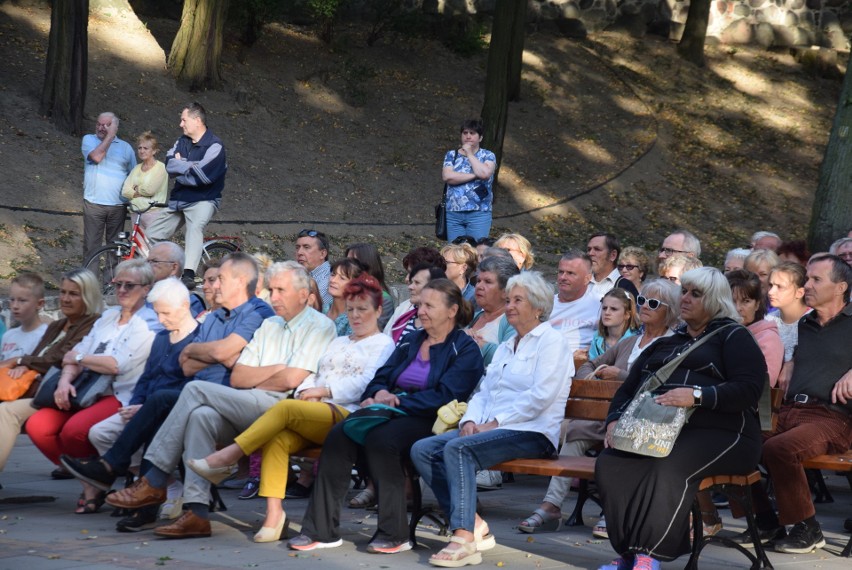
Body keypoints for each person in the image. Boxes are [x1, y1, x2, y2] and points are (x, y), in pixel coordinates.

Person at [103, 261, 337, 539]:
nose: (273, 297)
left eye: (281, 290)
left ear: (302, 294)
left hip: (284, 408)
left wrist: (267, 375)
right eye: (271, 289)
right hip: (248, 400)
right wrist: (276, 369)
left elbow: (291, 381)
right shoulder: (270, 325)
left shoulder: (319, 325)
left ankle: (153, 479)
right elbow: (238, 377)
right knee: (201, 417)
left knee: (194, 390)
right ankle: (197, 513)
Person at [60, 253, 273, 529]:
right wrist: (215, 353)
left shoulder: (258, 312)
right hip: (202, 397)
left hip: (232, 395)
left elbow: (222, 354)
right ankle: (179, 509)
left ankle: (123, 473)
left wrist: (212, 352)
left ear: (240, 281)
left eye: (220, 278)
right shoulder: (213, 318)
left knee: (164, 400)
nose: (213, 284)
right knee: (172, 410)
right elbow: (187, 363)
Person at [186, 275, 395, 542]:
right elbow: (313, 373)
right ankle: (275, 516)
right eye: (351, 309)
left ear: (378, 311)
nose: (355, 316)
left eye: (362, 309)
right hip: (316, 410)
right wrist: (305, 391)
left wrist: (325, 391)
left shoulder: (383, 344)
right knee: (278, 437)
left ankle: (227, 456)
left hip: (349, 414)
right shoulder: (339, 341)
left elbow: (368, 383)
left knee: (284, 409)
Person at [286, 279, 484, 554]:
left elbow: (447, 395)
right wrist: (378, 393)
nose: (421, 311)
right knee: (340, 434)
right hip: (391, 412)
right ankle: (321, 530)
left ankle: (394, 533)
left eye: (429, 305)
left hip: (431, 418)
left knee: (382, 440)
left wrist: (398, 400)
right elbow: (381, 376)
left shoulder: (463, 348)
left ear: (451, 311)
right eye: (419, 304)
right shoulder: (412, 340)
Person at [595, 267, 766, 570]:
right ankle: (628, 552)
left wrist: (698, 396)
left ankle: (649, 556)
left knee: (666, 465)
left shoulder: (733, 336)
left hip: (726, 433)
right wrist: (614, 421)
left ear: (714, 300)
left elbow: (749, 390)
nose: (684, 298)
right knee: (612, 461)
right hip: (660, 430)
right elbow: (629, 390)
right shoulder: (666, 343)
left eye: (695, 294)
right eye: (684, 291)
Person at [411, 272, 572, 567]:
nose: (509, 306)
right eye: (508, 300)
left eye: (517, 300)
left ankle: (463, 537)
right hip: (492, 428)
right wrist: (469, 421)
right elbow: (485, 391)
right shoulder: (509, 344)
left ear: (538, 307)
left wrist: (493, 423)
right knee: (423, 449)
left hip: (531, 431)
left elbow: (541, 397)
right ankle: (472, 521)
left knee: (459, 449)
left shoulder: (551, 341)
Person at [519, 279, 680, 535]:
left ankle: (612, 511)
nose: (644, 307)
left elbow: (661, 386)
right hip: (606, 416)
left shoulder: (674, 347)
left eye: (653, 303)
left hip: (644, 423)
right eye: (641, 301)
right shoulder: (630, 343)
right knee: (575, 434)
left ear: (670, 311)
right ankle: (551, 506)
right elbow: (588, 366)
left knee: (619, 445)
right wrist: (594, 378)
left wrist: (621, 376)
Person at [738, 254, 852, 555]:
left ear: (840, 287)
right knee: (732, 439)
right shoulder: (806, 323)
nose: (807, 285)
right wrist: (790, 360)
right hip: (790, 410)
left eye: (816, 279)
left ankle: (808, 528)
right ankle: (764, 520)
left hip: (833, 418)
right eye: (807, 278)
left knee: (780, 449)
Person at [27, 259, 159, 514]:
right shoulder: (109, 317)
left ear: (146, 289)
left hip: (120, 393)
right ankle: (93, 480)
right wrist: (64, 381)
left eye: (129, 285)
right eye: (117, 284)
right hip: (85, 389)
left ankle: (93, 487)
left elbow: (115, 365)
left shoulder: (148, 321)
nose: (121, 290)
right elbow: (77, 351)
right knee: (38, 425)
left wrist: (78, 359)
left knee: (75, 430)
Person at [81, 278, 199, 516]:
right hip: (146, 407)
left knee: (153, 432)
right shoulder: (162, 338)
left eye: (165, 313)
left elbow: (192, 386)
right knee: (99, 432)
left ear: (185, 306)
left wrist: (142, 408)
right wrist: (135, 405)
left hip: (175, 409)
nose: (161, 320)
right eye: (157, 313)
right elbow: (146, 378)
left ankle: (142, 502)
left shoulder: (198, 338)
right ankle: (149, 484)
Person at [0, 269, 101, 479]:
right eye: (63, 292)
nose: (65, 299)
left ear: (87, 296)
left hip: (62, 392)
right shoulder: (57, 325)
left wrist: (21, 361)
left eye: (73, 294)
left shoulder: (93, 324)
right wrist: (25, 366)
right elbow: (39, 357)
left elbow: (61, 358)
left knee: (7, 412)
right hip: (38, 387)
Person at [146, 102, 227, 289]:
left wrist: (183, 166)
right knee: (153, 233)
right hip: (180, 199)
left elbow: (203, 177)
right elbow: (169, 164)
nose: (180, 124)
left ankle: (189, 274)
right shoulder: (181, 141)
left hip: (204, 199)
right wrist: (191, 166)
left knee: (195, 227)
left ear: (197, 120)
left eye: (184, 120)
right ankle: (169, 270)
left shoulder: (215, 146)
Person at [81, 112, 137, 260]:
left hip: (118, 206)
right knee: (91, 247)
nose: (100, 128)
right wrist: (110, 137)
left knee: (115, 248)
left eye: (106, 125)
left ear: (115, 127)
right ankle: (90, 282)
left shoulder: (126, 148)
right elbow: (97, 157)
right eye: (98, 124)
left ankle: (111, 282)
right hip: (94, 204)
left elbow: (134, 176)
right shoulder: (89, 140)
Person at [442, 119, 497, 241]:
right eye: (465, 133)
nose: (468, 136)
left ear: (480, 138)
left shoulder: (488, 155)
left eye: (472, 133)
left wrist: (469, 154)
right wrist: (474, 175)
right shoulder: (452, 155)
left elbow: (485, 173)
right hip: (454, 213)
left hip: (479, 213)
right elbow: (447, 177)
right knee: (455, 254)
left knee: (477, 252)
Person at [727, 270, 783, 386]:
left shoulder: (768, 339)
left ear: (757, 304)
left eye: (746, 301)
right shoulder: (717, 331)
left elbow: (763, 387)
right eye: (732, 301)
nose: (738, 308)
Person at [465, 255, 519, 367]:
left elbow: (510, 359)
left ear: (506, 291)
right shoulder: (472, 316)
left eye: (488, 282)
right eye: (478, 280)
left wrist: (474, 344)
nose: (479, 286)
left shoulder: (514, 321)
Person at [766, 262, 810, 383]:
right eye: (770, 285)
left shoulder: (813, 320)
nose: (771, 292)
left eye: (780, 287)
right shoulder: (768, 321)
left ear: (800, 292)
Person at [548, 251, 600, 354]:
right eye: (561, 272)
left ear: (587, 279)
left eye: (570, 273)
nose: (563, 277)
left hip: (582, 363)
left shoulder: (600, 303)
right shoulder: (545, 304)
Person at [383, 264, 446, 344]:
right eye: (412, 282)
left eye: (417, 282)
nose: (410, 287)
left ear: (435, 286)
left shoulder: (443, 325)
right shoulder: (406, 314)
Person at [120, 131, 168, 229]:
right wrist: (139, 192)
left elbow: (150, 190)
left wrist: (135, 189)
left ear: (154, 151)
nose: (142, 151)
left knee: (152, 244)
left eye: (146, 148)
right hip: (135, 212)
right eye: (139, 148)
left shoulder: (160, 167)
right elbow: (124, 191)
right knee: (137, 244)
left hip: (153, 213)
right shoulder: (136, 168)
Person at [146, 241, 205, 316]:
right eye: (147, 261)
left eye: (154, 262)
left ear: (174, 268)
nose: (148, 266)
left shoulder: (190, 303)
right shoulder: (140, 295)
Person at [0, 273, 48, 364]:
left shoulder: (45, 335)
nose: (15, 306)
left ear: (39, 304)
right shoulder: (8, 336)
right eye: (12, 299)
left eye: (22, 300)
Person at [345, 243, 395, 329]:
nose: (347, 266)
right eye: (347, 261)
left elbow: (373, 331)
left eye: (352, 262)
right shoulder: (344, 291)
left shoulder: (384, 300)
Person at [588, 288, 639, 360]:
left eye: (613, 309)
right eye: (604, 308)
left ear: (627, 314)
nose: (607, 313)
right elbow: (591, 365)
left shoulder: (635, 340)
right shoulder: (597, 337)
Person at [586, 233, 638, 300]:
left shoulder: (625, 287)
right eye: (589, 249)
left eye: (597, 249)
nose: (590, 253)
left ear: (613, 255)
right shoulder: (581, 282)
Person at [324, 258, 366, 336]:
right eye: (333, 274)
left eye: (342, 278)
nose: (333, 280)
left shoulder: (354, 320)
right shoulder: (324, 309)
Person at [295, 229, 332, 308]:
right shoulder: (301, 275)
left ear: (322, 254)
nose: (299, 252)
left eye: (306, 247)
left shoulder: (329, 280)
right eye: (297, 248)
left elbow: (301, 309)